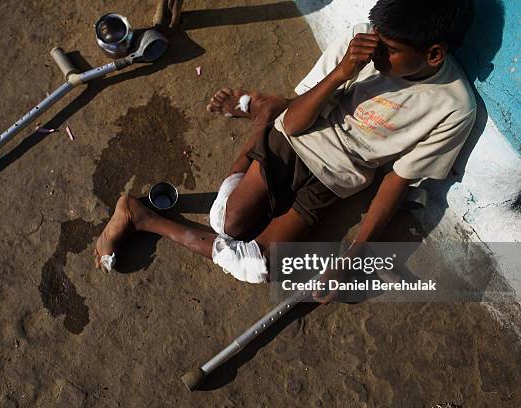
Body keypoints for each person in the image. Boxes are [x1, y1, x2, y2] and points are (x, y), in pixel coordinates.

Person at [94, 0, 476, 302]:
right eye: (377, 39)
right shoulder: (362, 41)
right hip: (295, 138)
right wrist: (343, 72)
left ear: (434, 55)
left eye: (389, 49)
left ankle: (141, 215)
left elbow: (397, 180)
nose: (375, 52)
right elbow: (294, 125)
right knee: (227, 223)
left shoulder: (454, 107)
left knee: (257, 268)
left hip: (336, 179)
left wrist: (351, 258)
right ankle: (265, 117)